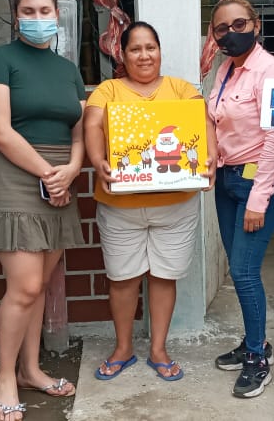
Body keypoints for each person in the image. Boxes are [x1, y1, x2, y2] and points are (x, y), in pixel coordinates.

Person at [0, 0, 85, 421]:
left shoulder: (68, 69)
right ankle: (4, 377)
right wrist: (48, 173)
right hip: (15, 173)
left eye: (45, 10)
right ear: (15, 16)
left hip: (59, 175)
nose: (37, 18)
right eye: (28, 11)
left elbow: (80, 130)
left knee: (41, 284)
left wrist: (71, 170)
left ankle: (31, 369)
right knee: (26, 285)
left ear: (57, 14)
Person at [84, 22, 216, 384]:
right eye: (135, 49)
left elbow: (203, 123)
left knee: (163, 276)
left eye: (150, 48)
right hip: (120, 206)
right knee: (122, 279)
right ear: (123, 54)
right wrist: (97, 160)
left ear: (159, 51)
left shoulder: (182, 89)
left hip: (175, 206)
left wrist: (212, 157)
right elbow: (92, 125)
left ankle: (158, 349)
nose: (144, 55)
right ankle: (123, 348)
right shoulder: (108, 90)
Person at [207, 0, 274, 398]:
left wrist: (259, 199)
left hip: (256, 182)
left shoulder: (270, 69)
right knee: (238, 269)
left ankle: (257, 357)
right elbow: (213, 120)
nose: (231, 34)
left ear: (256, 24)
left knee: (243, 271)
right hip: (227, 180)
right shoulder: (225, 69)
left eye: (239, 25)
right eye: (221, 29)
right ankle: (256, 341)